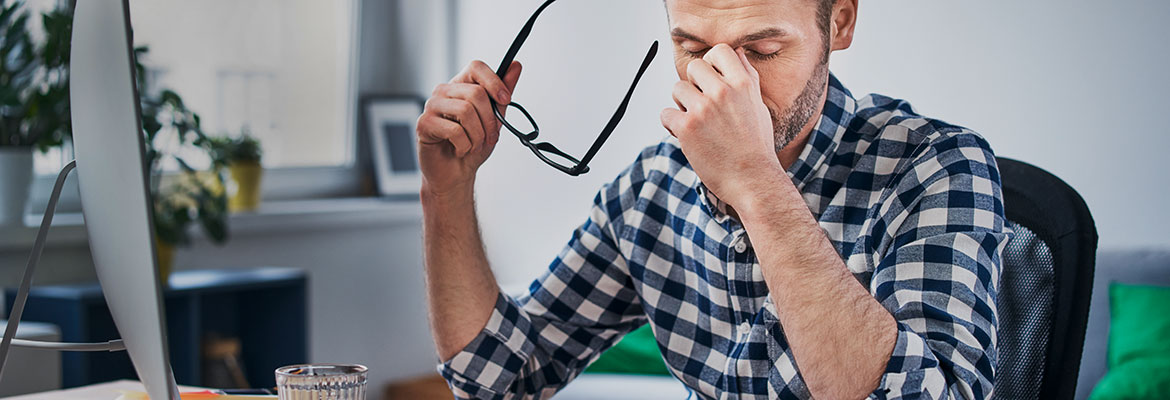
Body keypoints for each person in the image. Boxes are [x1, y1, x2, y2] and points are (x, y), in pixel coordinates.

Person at [416, 0, 1008, 399]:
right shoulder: (653, 190)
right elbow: (498, 376)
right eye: (693, 48)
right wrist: (446, 191)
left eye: (763, 50)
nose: (725, 81)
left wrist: (755, 181)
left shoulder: (936, 168)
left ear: (841, 22)